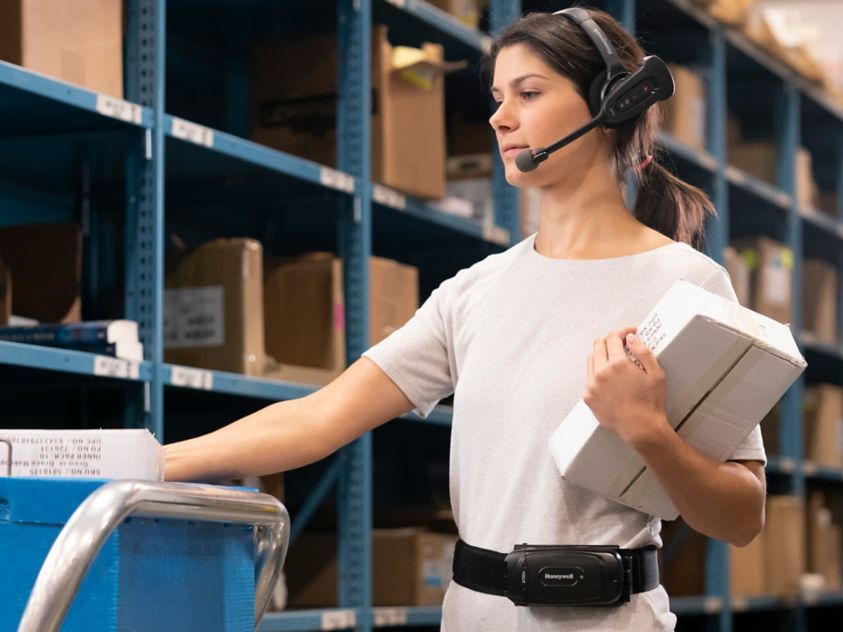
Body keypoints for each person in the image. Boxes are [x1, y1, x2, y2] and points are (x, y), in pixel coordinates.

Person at [165, 8, 767, 631]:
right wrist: (152, 463)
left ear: (610, 102)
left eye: (529, 94)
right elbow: (320, 419)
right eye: (498, 97)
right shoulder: (474, 292)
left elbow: (741, 518)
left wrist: (647, 430)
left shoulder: (685, 285)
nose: (499, 117)